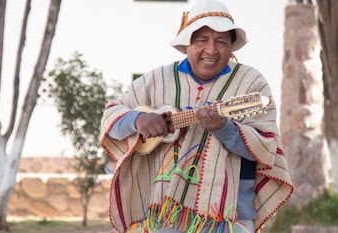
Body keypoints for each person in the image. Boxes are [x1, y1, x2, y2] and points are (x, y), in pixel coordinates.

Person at [100, 0, 293, 232]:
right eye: (202, 40)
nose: (211, 50)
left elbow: (265, 147)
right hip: (162, 216)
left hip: (228, 218)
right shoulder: (157, 80)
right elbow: (111, 115)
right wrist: (137, 120)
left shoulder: (251, 83)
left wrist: (224, 128)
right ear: (185, 46)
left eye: (221, 41)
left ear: (231, 47)